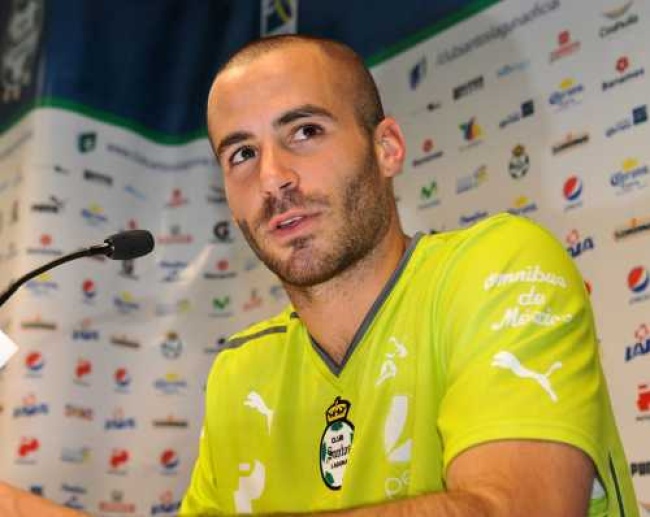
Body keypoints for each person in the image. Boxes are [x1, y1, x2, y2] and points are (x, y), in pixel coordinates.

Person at [181, 34, 637, 516]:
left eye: (305, 131)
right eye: (242, 154)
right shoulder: (239, 372)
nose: (272, 178)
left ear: (387, 148)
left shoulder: (499, 269)